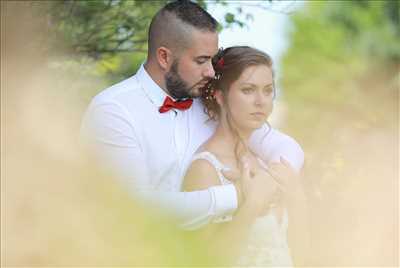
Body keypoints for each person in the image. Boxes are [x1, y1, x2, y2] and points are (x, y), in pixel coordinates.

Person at [81, 1, 304, 232]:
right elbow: (136, 209)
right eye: (201, 60)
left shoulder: (210, 103)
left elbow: (280, 144)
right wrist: (238, 195)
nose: (211, 71)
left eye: (212, 59)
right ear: (164, 57)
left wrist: (273, 177)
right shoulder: (113, 110)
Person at [183, 46, 309, 266]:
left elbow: (301, 250)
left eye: (268, 90)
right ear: (220, 96)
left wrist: (296, 194)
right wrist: (252, 204)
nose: (261, 101)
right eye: (248, 90)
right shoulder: (206, 168)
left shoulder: (268, 161)